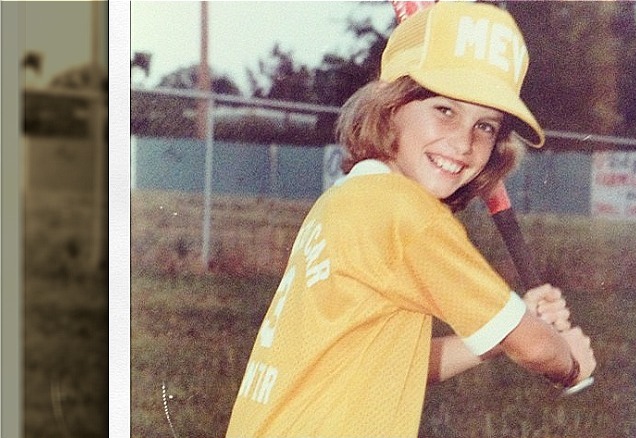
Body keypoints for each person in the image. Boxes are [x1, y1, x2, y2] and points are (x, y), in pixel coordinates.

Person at [225, 3, 596, 437]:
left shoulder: (347, 199)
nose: (463, 142)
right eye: (445, 110)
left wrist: (508, 326)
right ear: (390, 107)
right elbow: (535, 349)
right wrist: (569, 363)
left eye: (486, 126)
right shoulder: (408, 214)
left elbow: (398, 364)